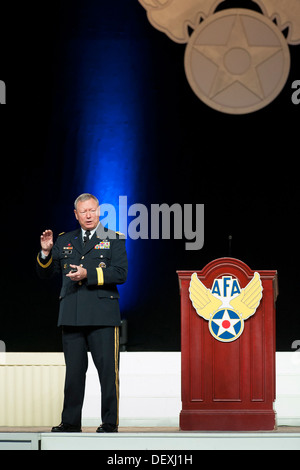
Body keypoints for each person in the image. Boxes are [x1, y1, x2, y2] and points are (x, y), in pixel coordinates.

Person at [36, 193, 128, 433]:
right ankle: (70, 422)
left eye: (92, 210)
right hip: (72, 313)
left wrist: (89, 275)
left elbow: (120, 273)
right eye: (83, 211)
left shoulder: (114, 239)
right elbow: (46, 274)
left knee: (108, 372)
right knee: (74, 372)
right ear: (76, 215)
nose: (89, 215)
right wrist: (46, 253)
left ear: (99, 211)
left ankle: (109, 422)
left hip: (102, 315)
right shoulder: (65, 240)